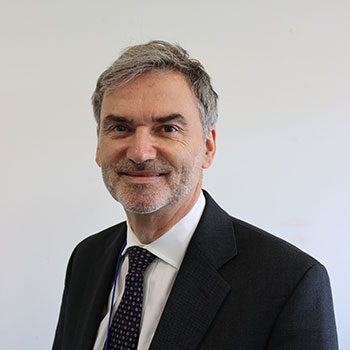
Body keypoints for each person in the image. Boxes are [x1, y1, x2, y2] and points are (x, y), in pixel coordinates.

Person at [52, 40, 338, 350]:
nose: (140, 152)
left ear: (208, 147)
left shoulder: (290, 283)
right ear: (98, 146)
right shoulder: (87, 258)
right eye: (120, 127)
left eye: (168, 128)